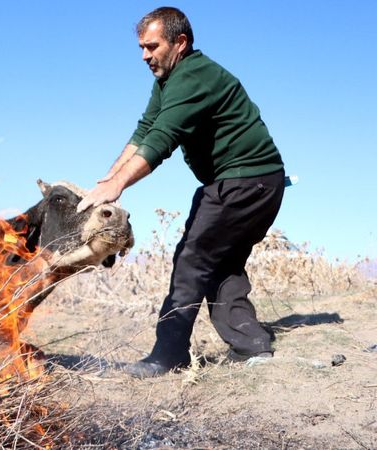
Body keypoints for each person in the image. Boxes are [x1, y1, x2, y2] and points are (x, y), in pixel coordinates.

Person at [76, 6, 285, 378]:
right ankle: (251, 343)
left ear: (180, 42)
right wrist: (108, 182)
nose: (145, 56)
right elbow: (144, 130)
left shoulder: (193, 77)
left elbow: (161, 139)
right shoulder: (168, 81)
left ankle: (168, 355)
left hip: (244, 181)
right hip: (253, 182)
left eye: (152, 46)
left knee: (192, 259)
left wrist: (118, 184)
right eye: (142, 47)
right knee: (221, 263)